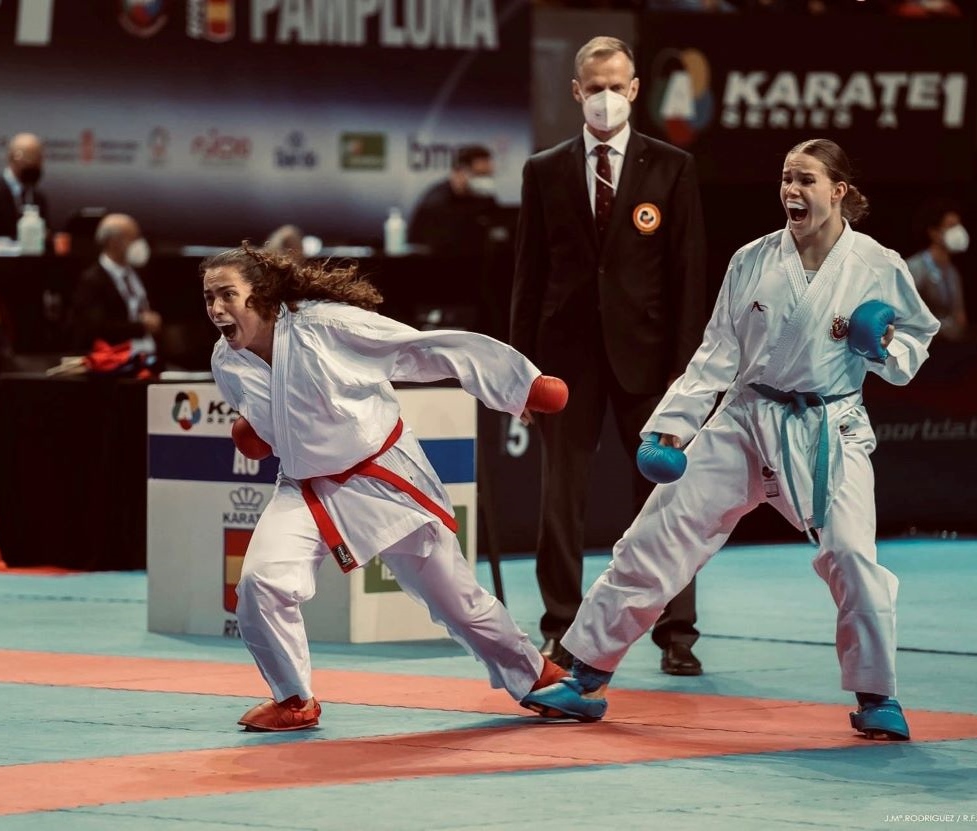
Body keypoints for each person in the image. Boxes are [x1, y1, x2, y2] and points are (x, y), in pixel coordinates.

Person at [521, 138, 941, 742]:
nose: (791, 191)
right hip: (745, 417)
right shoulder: (753, 258)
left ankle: (877, 694)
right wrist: (672, 426)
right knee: (656, 535)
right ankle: (584, 676)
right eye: (785, 179)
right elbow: (717, 351)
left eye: (805, 180)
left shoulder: (878, 265)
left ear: (839, 191)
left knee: (852, 554)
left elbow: (915, 344)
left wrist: (883, 348)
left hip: (828, 426)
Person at [201, 244, 572, 731]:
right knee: (260, 582)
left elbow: (426, 348)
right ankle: (294, 699)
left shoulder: (326, 327)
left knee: (455, 600)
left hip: (381, 477)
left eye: (228, 294)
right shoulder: (226, 361)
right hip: (305, 489)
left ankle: (538, 678)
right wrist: (257, 430)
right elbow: (275, 421)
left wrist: (520, 387)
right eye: (209, 297)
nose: (216, 309)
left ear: (262, 295)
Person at [510, 35, 707, 675]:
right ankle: (560, 629)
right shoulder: (544, 169)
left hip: (650, 362)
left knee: (669, 499)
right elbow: (527, 276)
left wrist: (689, 377)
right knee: (559, 498)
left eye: (615, 85)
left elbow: (687, 276)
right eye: (592, 87)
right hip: (565, 362)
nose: (604, 97)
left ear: (634, 90)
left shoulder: (671, 167)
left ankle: (677, 632)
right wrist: (519, 375)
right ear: (576, 91)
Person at [69, 213, 162, 354]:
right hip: (116, 359)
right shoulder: (92, 280)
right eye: (133, 238)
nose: (139, 244)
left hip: (150, 353)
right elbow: (96, 328)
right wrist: (140, 326)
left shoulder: (140, 273)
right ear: (113, 242)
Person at [408, 145, 499, 256]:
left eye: (488, 175)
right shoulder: (435, 203)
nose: (485, 180)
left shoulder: (486, 198)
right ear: (459, 173)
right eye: (480, 175)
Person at [904, 199, 968, 342]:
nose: (958, 231)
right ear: (934, 233)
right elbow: (905, 315)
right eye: (951, 226)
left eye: (959, 225)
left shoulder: (952, 272)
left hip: (949, 347)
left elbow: (960, 316)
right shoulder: (915, 268)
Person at [0, 132, 50, 239]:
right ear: (11, 159)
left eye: (37, 161)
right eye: (28, 161)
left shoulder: (38, 199)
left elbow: (46, 236)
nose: (33, 167)